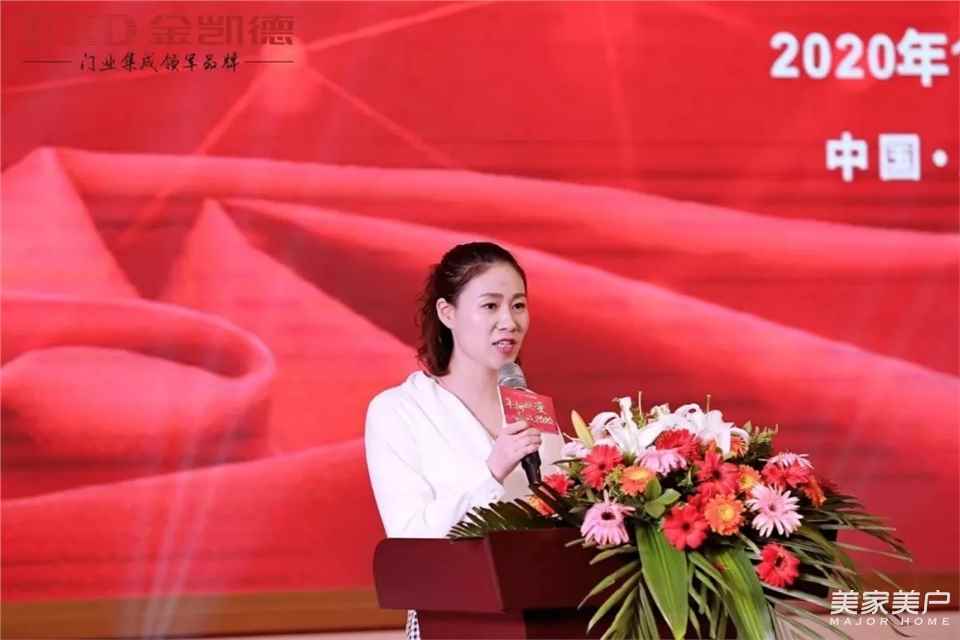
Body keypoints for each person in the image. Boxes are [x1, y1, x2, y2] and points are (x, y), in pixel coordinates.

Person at [364, 241, 563, 640]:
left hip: (545, 620)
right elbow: (411, 540)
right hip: (453, 622)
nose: (509, 321)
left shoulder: (531, 409)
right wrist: (491, 471)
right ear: (448, 313)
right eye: (490, 306)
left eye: (518, 305)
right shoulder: (399, 410)